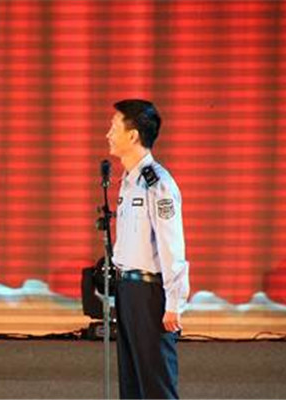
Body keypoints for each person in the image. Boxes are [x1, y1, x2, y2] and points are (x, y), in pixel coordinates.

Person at [106, 99, 190, 399]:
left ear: (133, 136)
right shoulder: (128, 181)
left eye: (114, 127)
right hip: (128, 290)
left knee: (156, 383)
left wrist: (174, 302)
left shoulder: (158, 184)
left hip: (151, 294)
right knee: (132, 384)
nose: (108, 134)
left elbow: (171, 246)